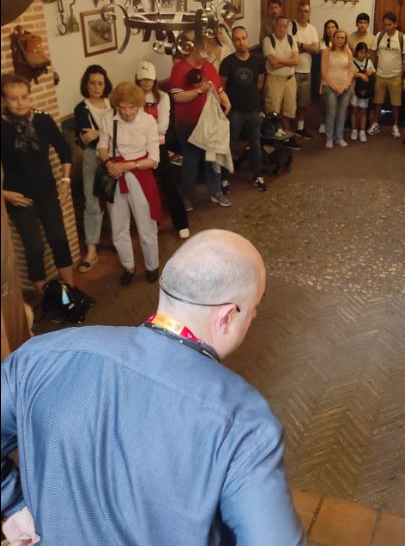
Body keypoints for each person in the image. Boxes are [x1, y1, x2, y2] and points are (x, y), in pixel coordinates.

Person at [0, 229, 304, 545]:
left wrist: (14, 504)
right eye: (254, 306)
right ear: (226, 317)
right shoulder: (244, 425)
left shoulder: (40, 356)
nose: (254, 314)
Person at [1, 74, 84, 300]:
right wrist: (4, 194)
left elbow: (64, 152)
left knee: (59, 239)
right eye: (13, 98)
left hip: (47, 191)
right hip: (18, 197)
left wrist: (65, 181)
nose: (20, 103)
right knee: (34, 246)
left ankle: (71, 291)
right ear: (4, 100)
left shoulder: (43, 120)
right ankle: (48, 298)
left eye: (24, 97)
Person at [97, 82, 161, 285]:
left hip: (139, 174)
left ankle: (152, 265)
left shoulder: (148, 121)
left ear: (138, 104)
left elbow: (154, 159)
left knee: (146, 225)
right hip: (115, 173)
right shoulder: (109, 118)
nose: (126, 112)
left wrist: (127, 166)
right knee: (118, 226)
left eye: (131, 107)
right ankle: (128, 266)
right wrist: (109, 164)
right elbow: (102, 147)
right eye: (122, 107)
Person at [169, 30, 232, 210]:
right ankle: (186, 196)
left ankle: (216, 192)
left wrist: (226, 102)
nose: (206, 52)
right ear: (193, 48)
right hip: (188, 124)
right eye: (203, 47)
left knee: (213, 158)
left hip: (209, 122)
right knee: (191, 161)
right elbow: (177, 97)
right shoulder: (179, 68)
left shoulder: (209, 67)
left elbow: (218, 89)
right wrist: (198, 91)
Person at [136, 61, 190, 239]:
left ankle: (181, 223)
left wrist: (143, 130)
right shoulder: (132, 97)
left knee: (169, 184)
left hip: (158, 146)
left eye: (149, 79)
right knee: (145, 189)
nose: (146, 83)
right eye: (143, 79)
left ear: (154, 80)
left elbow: (162, 127)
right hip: (138, 148)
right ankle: (152, 223)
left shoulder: (163, 97)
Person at [73, 65, 113, 272]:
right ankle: (91, 251)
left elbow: (121, 129)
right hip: (92, 157)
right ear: (86, 84)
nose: (96, 87)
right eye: (92, 83)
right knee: (91, 202)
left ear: (105, 85)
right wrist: (107, 130)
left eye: (100, 83)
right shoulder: (81, 108)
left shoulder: (112, 102)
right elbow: (88, 138)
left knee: (118, 199)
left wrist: (99, 132)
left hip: (115, 155)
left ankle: (120, 239)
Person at [220, 26, 267, 193]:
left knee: (255, 144)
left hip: (253, 109)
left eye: (244, 38)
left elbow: (260, 83)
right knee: (229, 145)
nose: (241, 42)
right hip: (235, 111)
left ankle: (258, 176)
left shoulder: (257, 61)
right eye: (237, 39)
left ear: (248, 39)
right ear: (233, 42)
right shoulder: (227, 63)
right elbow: (221, 87)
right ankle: (224, 179)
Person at [367, 12, 405, 139]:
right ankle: (375, 123)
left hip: (395, 76)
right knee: (377, 102)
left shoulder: (402, 38)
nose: (387, 27)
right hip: (380, 75)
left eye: (389, 24)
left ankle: (395, 126)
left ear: (395, 24)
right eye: (385, 24)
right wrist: (373, 69)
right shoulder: (379, 36)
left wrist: (401, 74)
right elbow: (373, 52)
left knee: (395, 103)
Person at [263, 15, 300, 135]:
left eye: (285, 26)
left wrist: (280, 60)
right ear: (275, 26)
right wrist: (289, 61)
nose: (282, 29)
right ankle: (273, 137)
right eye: (280, 26)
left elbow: (296, 61)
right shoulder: (268, 40)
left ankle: (286, 137)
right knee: (273, 111)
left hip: (290, 80)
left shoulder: (291, 39)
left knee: (289, 112)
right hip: (274, 79)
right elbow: (273, 63)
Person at [320, 29, 354, 149]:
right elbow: (324, 72)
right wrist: (334, 87)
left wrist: (344, 86)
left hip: (345, 88)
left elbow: (351, 71)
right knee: (331, 112)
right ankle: (329, 138)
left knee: (342, 113)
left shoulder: (348, 52)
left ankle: (339, 137)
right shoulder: (327, 51)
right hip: (330, 87)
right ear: (333, 38)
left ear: (345, 40)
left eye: (342, 38)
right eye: (338, 37)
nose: (340, 40)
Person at [291, 3, 319, 140]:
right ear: (297, 12)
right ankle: (288, 129)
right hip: (292, 71)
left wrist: (300, 45)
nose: (303, 14)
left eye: (306, 11)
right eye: (301, 11)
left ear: (309, 13)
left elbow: (316, 49)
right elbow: (290, 47)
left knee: (303, 103)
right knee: (291, 103)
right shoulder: (291, 26)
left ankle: (300, 128)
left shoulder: (312, 29)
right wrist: (308, 48)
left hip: (307, 71)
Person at [350, 41, 375, 143]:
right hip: (354, 89)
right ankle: (354, 130)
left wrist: (371, 72)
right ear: (356, 52)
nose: (362, 55)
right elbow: (349, 73)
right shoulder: (351, 61)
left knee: (363, 111)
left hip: (365, 90)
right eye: (360, 52)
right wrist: (358, 75)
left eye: (364, 52)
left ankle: (362, 131)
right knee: (354, 110)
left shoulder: (368, 62)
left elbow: (373, 72)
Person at [318, 19, 339, 135]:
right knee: (324, 100)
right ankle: (322, 123)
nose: (331, 30)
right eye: (328, 28)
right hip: (325, 74)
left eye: (333, 27)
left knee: (335, 100)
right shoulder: (323, 43)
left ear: (336, 29)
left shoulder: (341, 42)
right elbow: (325, 58)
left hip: (338, 74)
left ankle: (334, 124)